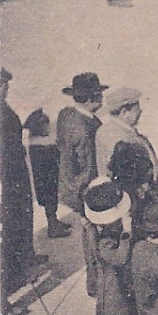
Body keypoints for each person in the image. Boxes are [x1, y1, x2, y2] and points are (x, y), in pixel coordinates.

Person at [56, 71, 107, 296]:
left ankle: (96, 282)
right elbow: (86, 167)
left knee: (91, 236)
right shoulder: (85, 128)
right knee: (95, 236)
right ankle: (98, 284)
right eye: (98, 95)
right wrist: (87, 198)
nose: (102, 100)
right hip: (87, 190)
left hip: (75, 189)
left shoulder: (68, 115)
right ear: (88, 99)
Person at [0, 69, 40, 315]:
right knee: (3, 242)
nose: (5, 88)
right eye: (2, 84)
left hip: (14, 183)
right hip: (5, 185)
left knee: (14, 235)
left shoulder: (0, 107)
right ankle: (2, 303)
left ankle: (15, 276)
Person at [84, 183, 140, 315]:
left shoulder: (102, 230)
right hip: (113, 287)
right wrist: (127, 232)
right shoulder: (104, 242)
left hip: (118, 281)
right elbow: (120, 258)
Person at [95, 86, 158, 208]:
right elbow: (126, 175)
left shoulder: (109, 129)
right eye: (136, 110)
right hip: (135, 200)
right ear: (124, 112)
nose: (140, 112)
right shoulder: (119, 138)